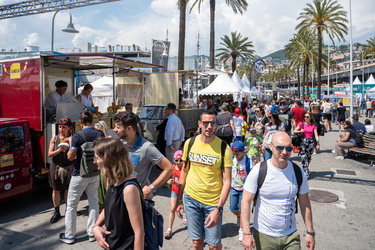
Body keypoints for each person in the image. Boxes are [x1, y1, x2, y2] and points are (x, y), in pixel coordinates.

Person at [241, 132, 315, 250]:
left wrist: (310, 232)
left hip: (291, 235)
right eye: (280, 148)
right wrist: (246, 233)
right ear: (271, 147)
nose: (284, 152)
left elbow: (305, 203)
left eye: (288, 148)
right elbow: (246, 201)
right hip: (264, 235)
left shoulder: (298, 172)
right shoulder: (259, 170)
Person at [176, 110, 233, 250]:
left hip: (213, 202)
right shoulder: (190, 143)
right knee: (196, 242)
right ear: (199, 124)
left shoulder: (223, 148)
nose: (209, 127)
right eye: (206, 123)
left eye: (213, 123)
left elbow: (227, 182)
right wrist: (179, 199)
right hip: (191, 199)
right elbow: (184, 172)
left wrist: (218, 208)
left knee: (213, 245)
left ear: (216, 125)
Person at [59, 109, 105, 244]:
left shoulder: (77, 136)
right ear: (92, 120)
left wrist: (68, 148)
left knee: (72, 205)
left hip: (79, 174)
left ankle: (69, 235)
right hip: (95, 173)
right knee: (94, 203)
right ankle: (92, 233)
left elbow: (70, 157)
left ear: (80, 122)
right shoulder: (99, 134)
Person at [92, 138, 144, 250]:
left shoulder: (129, 189)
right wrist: (96, 226)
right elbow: (109, 208)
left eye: (97, 158)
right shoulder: (113, 181)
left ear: (109, 159)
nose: (94, 161)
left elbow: (139, 231)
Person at [113, 111, 173, 195]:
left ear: (129, 129)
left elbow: (169, 168)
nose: (114, 130)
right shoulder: (119, 144)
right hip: (118, 195)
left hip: (136, 199)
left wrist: (151, 188)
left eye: (118, 127)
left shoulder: (146, 147)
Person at [48, 117, 74, 223]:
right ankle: (57, 211)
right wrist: (59, 150)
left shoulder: (72, 138)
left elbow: (75, 154)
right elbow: (49, 154)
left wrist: (70, 144)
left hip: (68, 166)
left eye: (64, 127)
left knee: (68, 189)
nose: (61, 129)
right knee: (55, 189)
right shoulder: (55, 138)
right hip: (56, 166)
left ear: (69, 128)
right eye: (60, 127)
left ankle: (68, 210)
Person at [230, 141, 252, 242]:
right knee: (233, 208)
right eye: (234, 154)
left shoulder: (248, 161)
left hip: (244, 189)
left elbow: (252, 175)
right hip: (234, 188)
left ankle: (241, 230)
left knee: (243, 210)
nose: (236, 156)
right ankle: (239, 216)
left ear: (243, 152)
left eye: (238, 154)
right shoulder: (231, 160)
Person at [164, 150, 184, 239]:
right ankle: (169, 229)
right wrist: (169, 181)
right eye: (177, 160)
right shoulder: (172, 168)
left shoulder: (185, 170)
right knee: (172, 209)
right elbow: (166, 176)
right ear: (174, 160)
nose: (179, 162)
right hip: (174, 191)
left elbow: (184, 183)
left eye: (181, 160)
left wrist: (175, 183)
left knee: (188, 209)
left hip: (184, 192)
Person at [293, 112, 320, 177]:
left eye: (307, 117)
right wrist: (300, 131)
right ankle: (305, 172)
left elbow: (316, 135)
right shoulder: (301, 124)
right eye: (305, 117)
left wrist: (318, 144)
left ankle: (306, 168)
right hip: (303, 141)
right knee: (303, 157)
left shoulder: (313, 125)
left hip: (310, 142)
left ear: (310, 117)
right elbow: (294, 131)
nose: (306, 118)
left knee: (308, 157)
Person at [94, 121, 110, 212]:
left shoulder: (108, 139)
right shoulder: (97, 141)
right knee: (99, 189)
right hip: (100, 169)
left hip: (107, 168)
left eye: (98, 129)